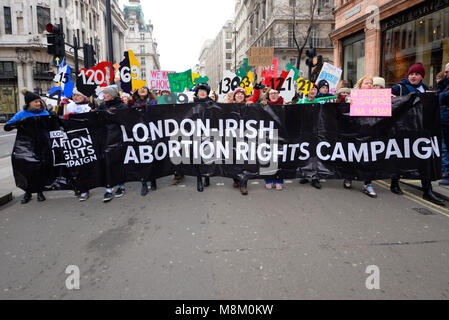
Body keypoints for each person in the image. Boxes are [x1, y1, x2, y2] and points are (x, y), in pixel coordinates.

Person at [390, 62, 444, 205]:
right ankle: (394, 183)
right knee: (400, 156)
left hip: (420, 130)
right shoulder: (399, 87)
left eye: (417, 74)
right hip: (402, 129)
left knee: (424, 158)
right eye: (411, 74)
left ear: (422, 76)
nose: (413, 77)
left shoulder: (425, 90)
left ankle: (427, 190)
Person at [4, 89, 50, 204]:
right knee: (26, 169)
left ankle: (40, 191)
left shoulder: (44, 113)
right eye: (35, 102)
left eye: (39, 101)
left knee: (40, 169)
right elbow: (7, 127)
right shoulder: (21, 114)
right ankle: (28, 193)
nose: (38, 104)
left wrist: (52, 118)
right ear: (29, 103)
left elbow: (52, 127)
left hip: (41, 144)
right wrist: (19, 122)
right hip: (26, 146)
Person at [343, 76, 377, 198]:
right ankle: (349, 176)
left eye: (371, 84)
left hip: (370, 132)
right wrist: (348, 101)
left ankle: (367, 183)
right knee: (353, 155)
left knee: (368, 157)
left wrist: (393, 101)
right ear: (361, 85)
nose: (369, 85)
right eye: (367, 83)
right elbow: (345, 101)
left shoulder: (377, 97)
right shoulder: (353, 95)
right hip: (355, 131)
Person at [97, 85, 128, 202]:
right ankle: (109, 189)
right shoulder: (102, 106)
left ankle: (121, 186)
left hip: (118, 139)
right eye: (104, 93)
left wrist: (117, 114)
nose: (104, 95)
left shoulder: (121, 106)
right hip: (104, 139)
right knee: (106, 163)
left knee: (118, 162)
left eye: (106, 94)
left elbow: (127, 120)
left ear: (113, 95)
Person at [127, 86, 158, 195]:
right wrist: (129, 107)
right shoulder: (132, 102)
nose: (142, 90)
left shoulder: (153, 101)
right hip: (138, 134)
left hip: (151, 132)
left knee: (152, 156)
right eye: (140, 88)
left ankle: (153, 179)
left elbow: (158, 114)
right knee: (141, 158)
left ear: (148, 90)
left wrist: (149, 108)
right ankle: (144, 183)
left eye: (144, 88)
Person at [263, 88, 284, 190]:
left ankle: (278, 180)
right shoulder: (263, 105)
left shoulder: (284, 104)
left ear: (278, 94)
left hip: (280, 135)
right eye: (271, 93)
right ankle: (268, 179)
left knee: (279, 158)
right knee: (267, 157)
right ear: (268, 95)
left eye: (275, 93)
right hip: (267, 134)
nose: (273, 95)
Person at [193, 82, 213, 192]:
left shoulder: (213, 104)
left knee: (208, 155)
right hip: (196, 133)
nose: (202, 92)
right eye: (200, 90)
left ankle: (207, 176)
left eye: (204, 90)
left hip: (209, 133)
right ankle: (199, 180)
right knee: (197, 157)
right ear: (197, 93)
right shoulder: (191, 104)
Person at [438, 63, 449, 186]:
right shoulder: (445, 85)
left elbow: (442, 98)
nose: (446, 74)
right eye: (445, 72)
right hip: (444, 121)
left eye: (448, 72)